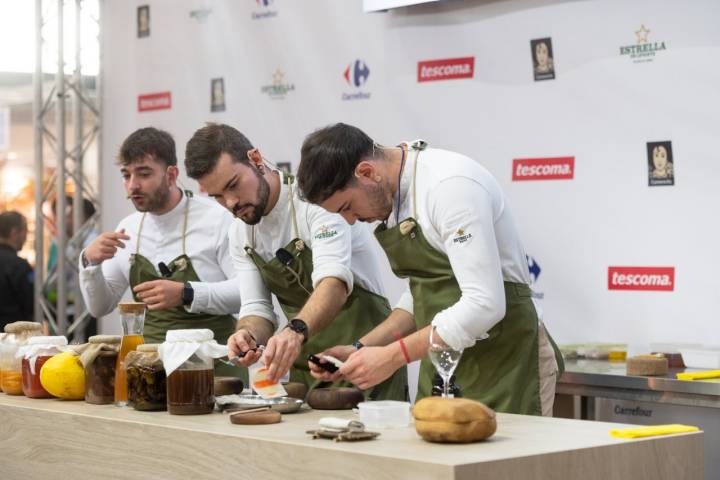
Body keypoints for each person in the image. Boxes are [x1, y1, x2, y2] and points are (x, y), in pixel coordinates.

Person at [296, 123, 563, 416]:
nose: (350, 221)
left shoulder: (449, 187)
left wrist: (392, 357)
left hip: (507, 364)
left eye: (347, 206)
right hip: (444, 367)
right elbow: (422, 296)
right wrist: (361, 348)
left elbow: (485, 304)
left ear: (367, 172)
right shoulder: (396, 196)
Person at [184, 123, 406, 400]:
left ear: (255, 159)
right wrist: (247, 335)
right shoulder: (240, 232)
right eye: (217, 196)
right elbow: (257, 308)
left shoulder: (316, 201)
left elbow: (333, 284)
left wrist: (295, 331)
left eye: (233, 185)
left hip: (366, 359)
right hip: (308, 370)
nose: (230, 203)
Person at [78, 127, 241, 353]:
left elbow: (246, 293)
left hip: (214, 368)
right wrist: (89, 263)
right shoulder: (128, 228)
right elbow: (99, 307)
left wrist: (187, 293)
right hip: (150, 368)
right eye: (126, 175)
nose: (133, 185)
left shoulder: (217, 218)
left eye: (144, 174)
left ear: (171, 175)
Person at [0, 211, 34, 330]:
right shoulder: (19, 265)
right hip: (13, 337)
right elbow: (31, 303)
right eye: (25, 231)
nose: (26, 236)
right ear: (14, 233)